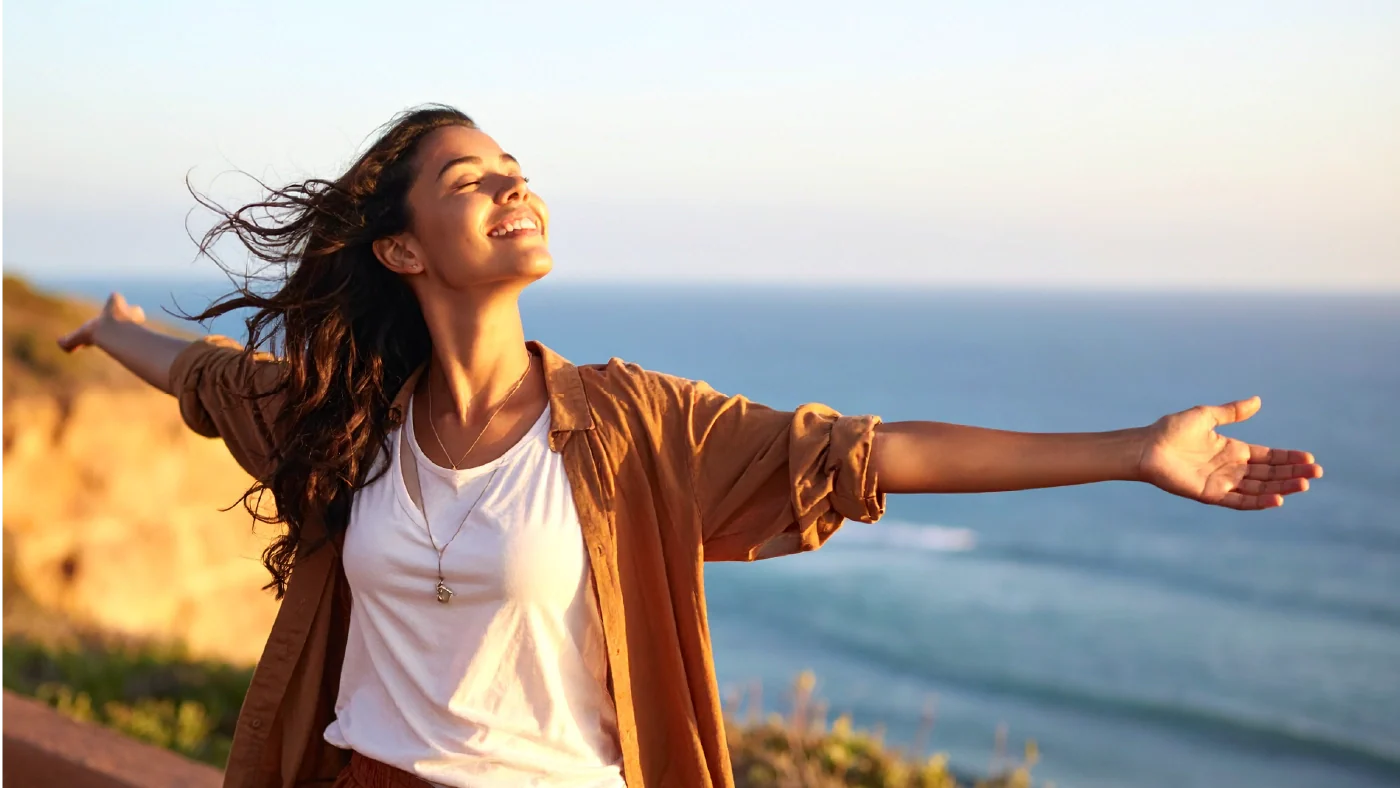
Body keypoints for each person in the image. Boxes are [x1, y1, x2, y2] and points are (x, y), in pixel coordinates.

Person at [56, 105, 1322, 788]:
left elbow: (867, 453)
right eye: (469, 180)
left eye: (514, 169)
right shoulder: (350, 421)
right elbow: (212, 378)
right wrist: (117, 329)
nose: (511, 187)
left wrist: (1130, 448)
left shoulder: (633, 425)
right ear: (401, 249)